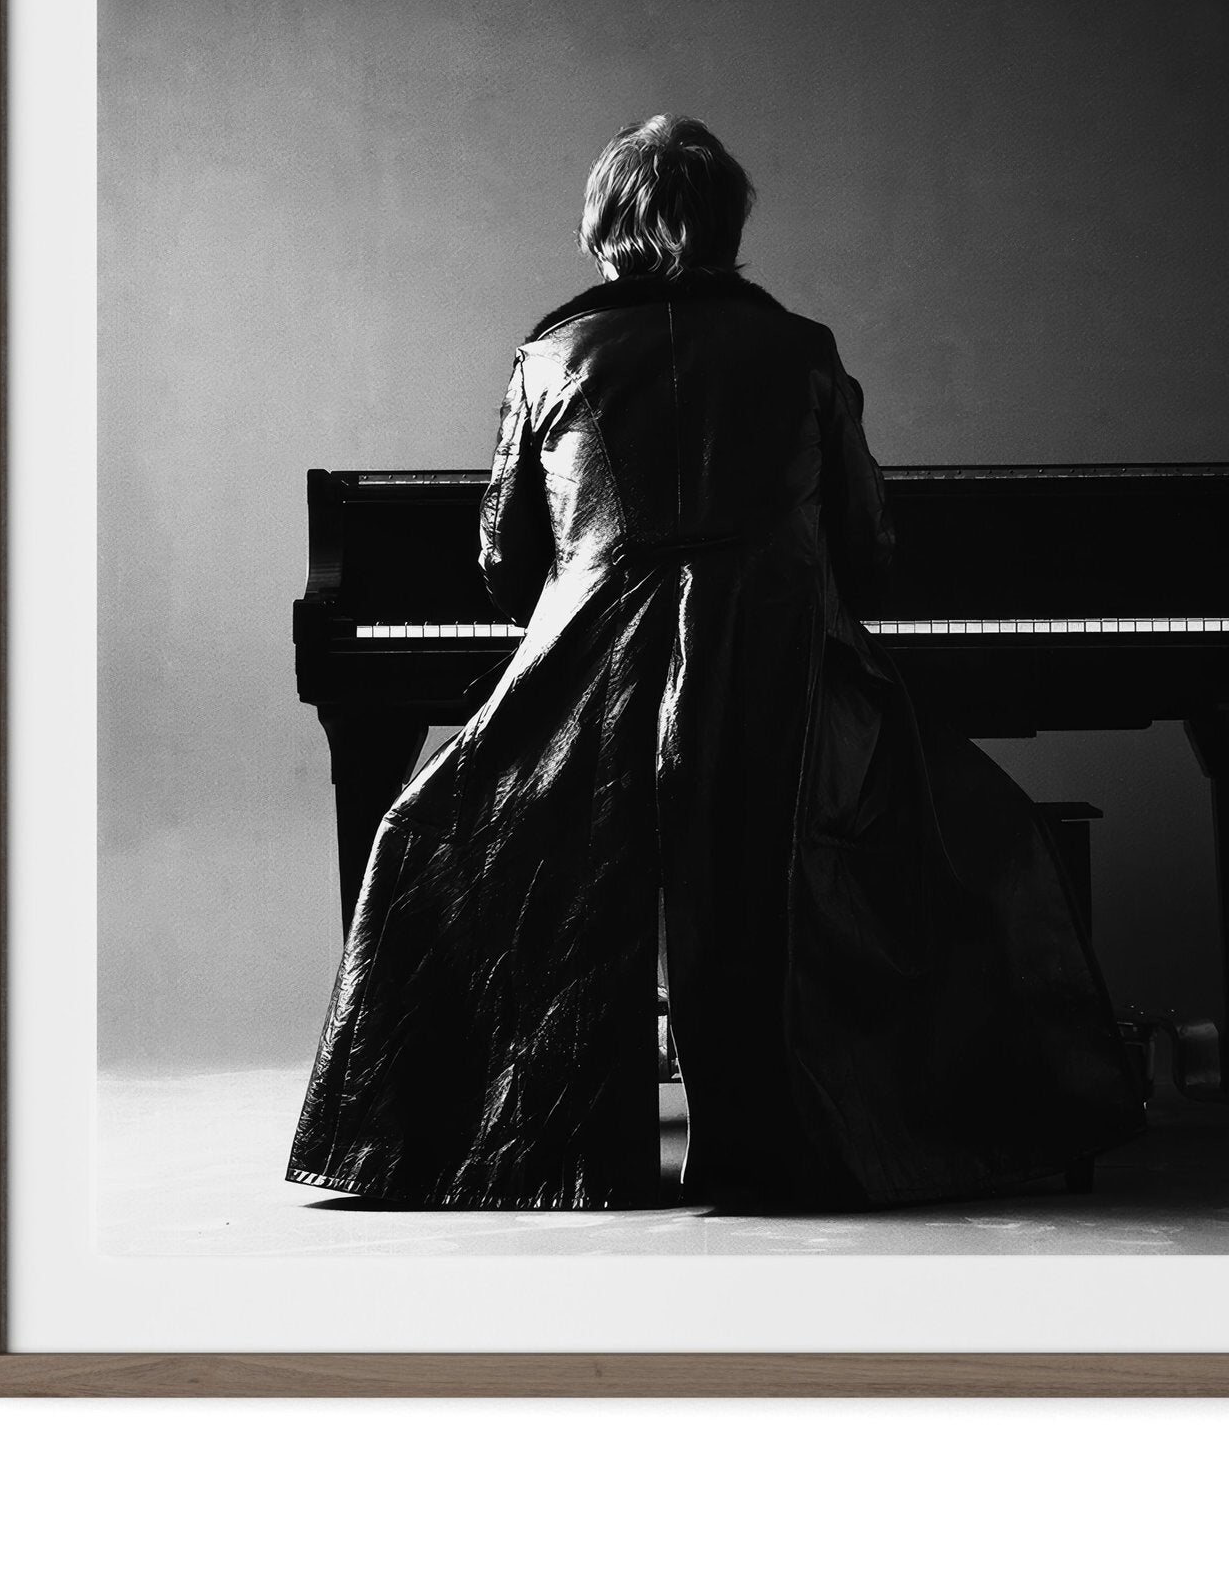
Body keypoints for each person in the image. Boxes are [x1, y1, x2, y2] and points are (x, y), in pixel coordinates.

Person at [288, 115, 1143, 1210]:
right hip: (778, 705)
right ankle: (891, 1127)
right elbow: (868, 554)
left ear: (603, 230)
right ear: (733, 226)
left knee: (417, 833)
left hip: (591, 718)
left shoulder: (549, 359)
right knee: (985, 833)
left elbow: (505, 565)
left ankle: (511, 1150)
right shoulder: (805, 352)